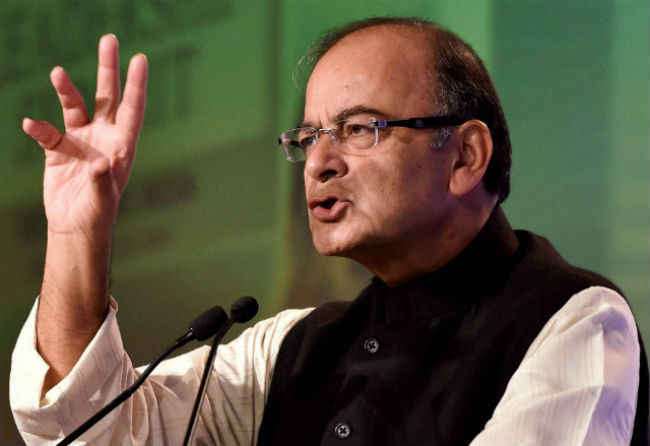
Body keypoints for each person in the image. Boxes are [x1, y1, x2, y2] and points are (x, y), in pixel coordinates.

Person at [9, 17, 648, 446]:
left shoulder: (575, 322)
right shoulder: (291, 348)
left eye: (359, 128)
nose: (319, 162)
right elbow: (93, 428)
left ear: (465, 156)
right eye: (309, 136)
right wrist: (77, 232)